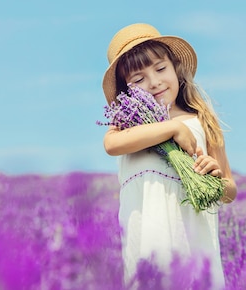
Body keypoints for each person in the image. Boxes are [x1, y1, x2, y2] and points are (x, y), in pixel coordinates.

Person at [101, 23, 237, 289]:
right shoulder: (129, 125)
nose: (154, 82)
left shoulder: (202, 121)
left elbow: (229, 190)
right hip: (148, 247)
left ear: (175, 68)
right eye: (138, 80)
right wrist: (173, 127)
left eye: (161, 69)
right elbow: (111, 144)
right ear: (126, 91)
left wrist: (215, 178)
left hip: (194, 243)